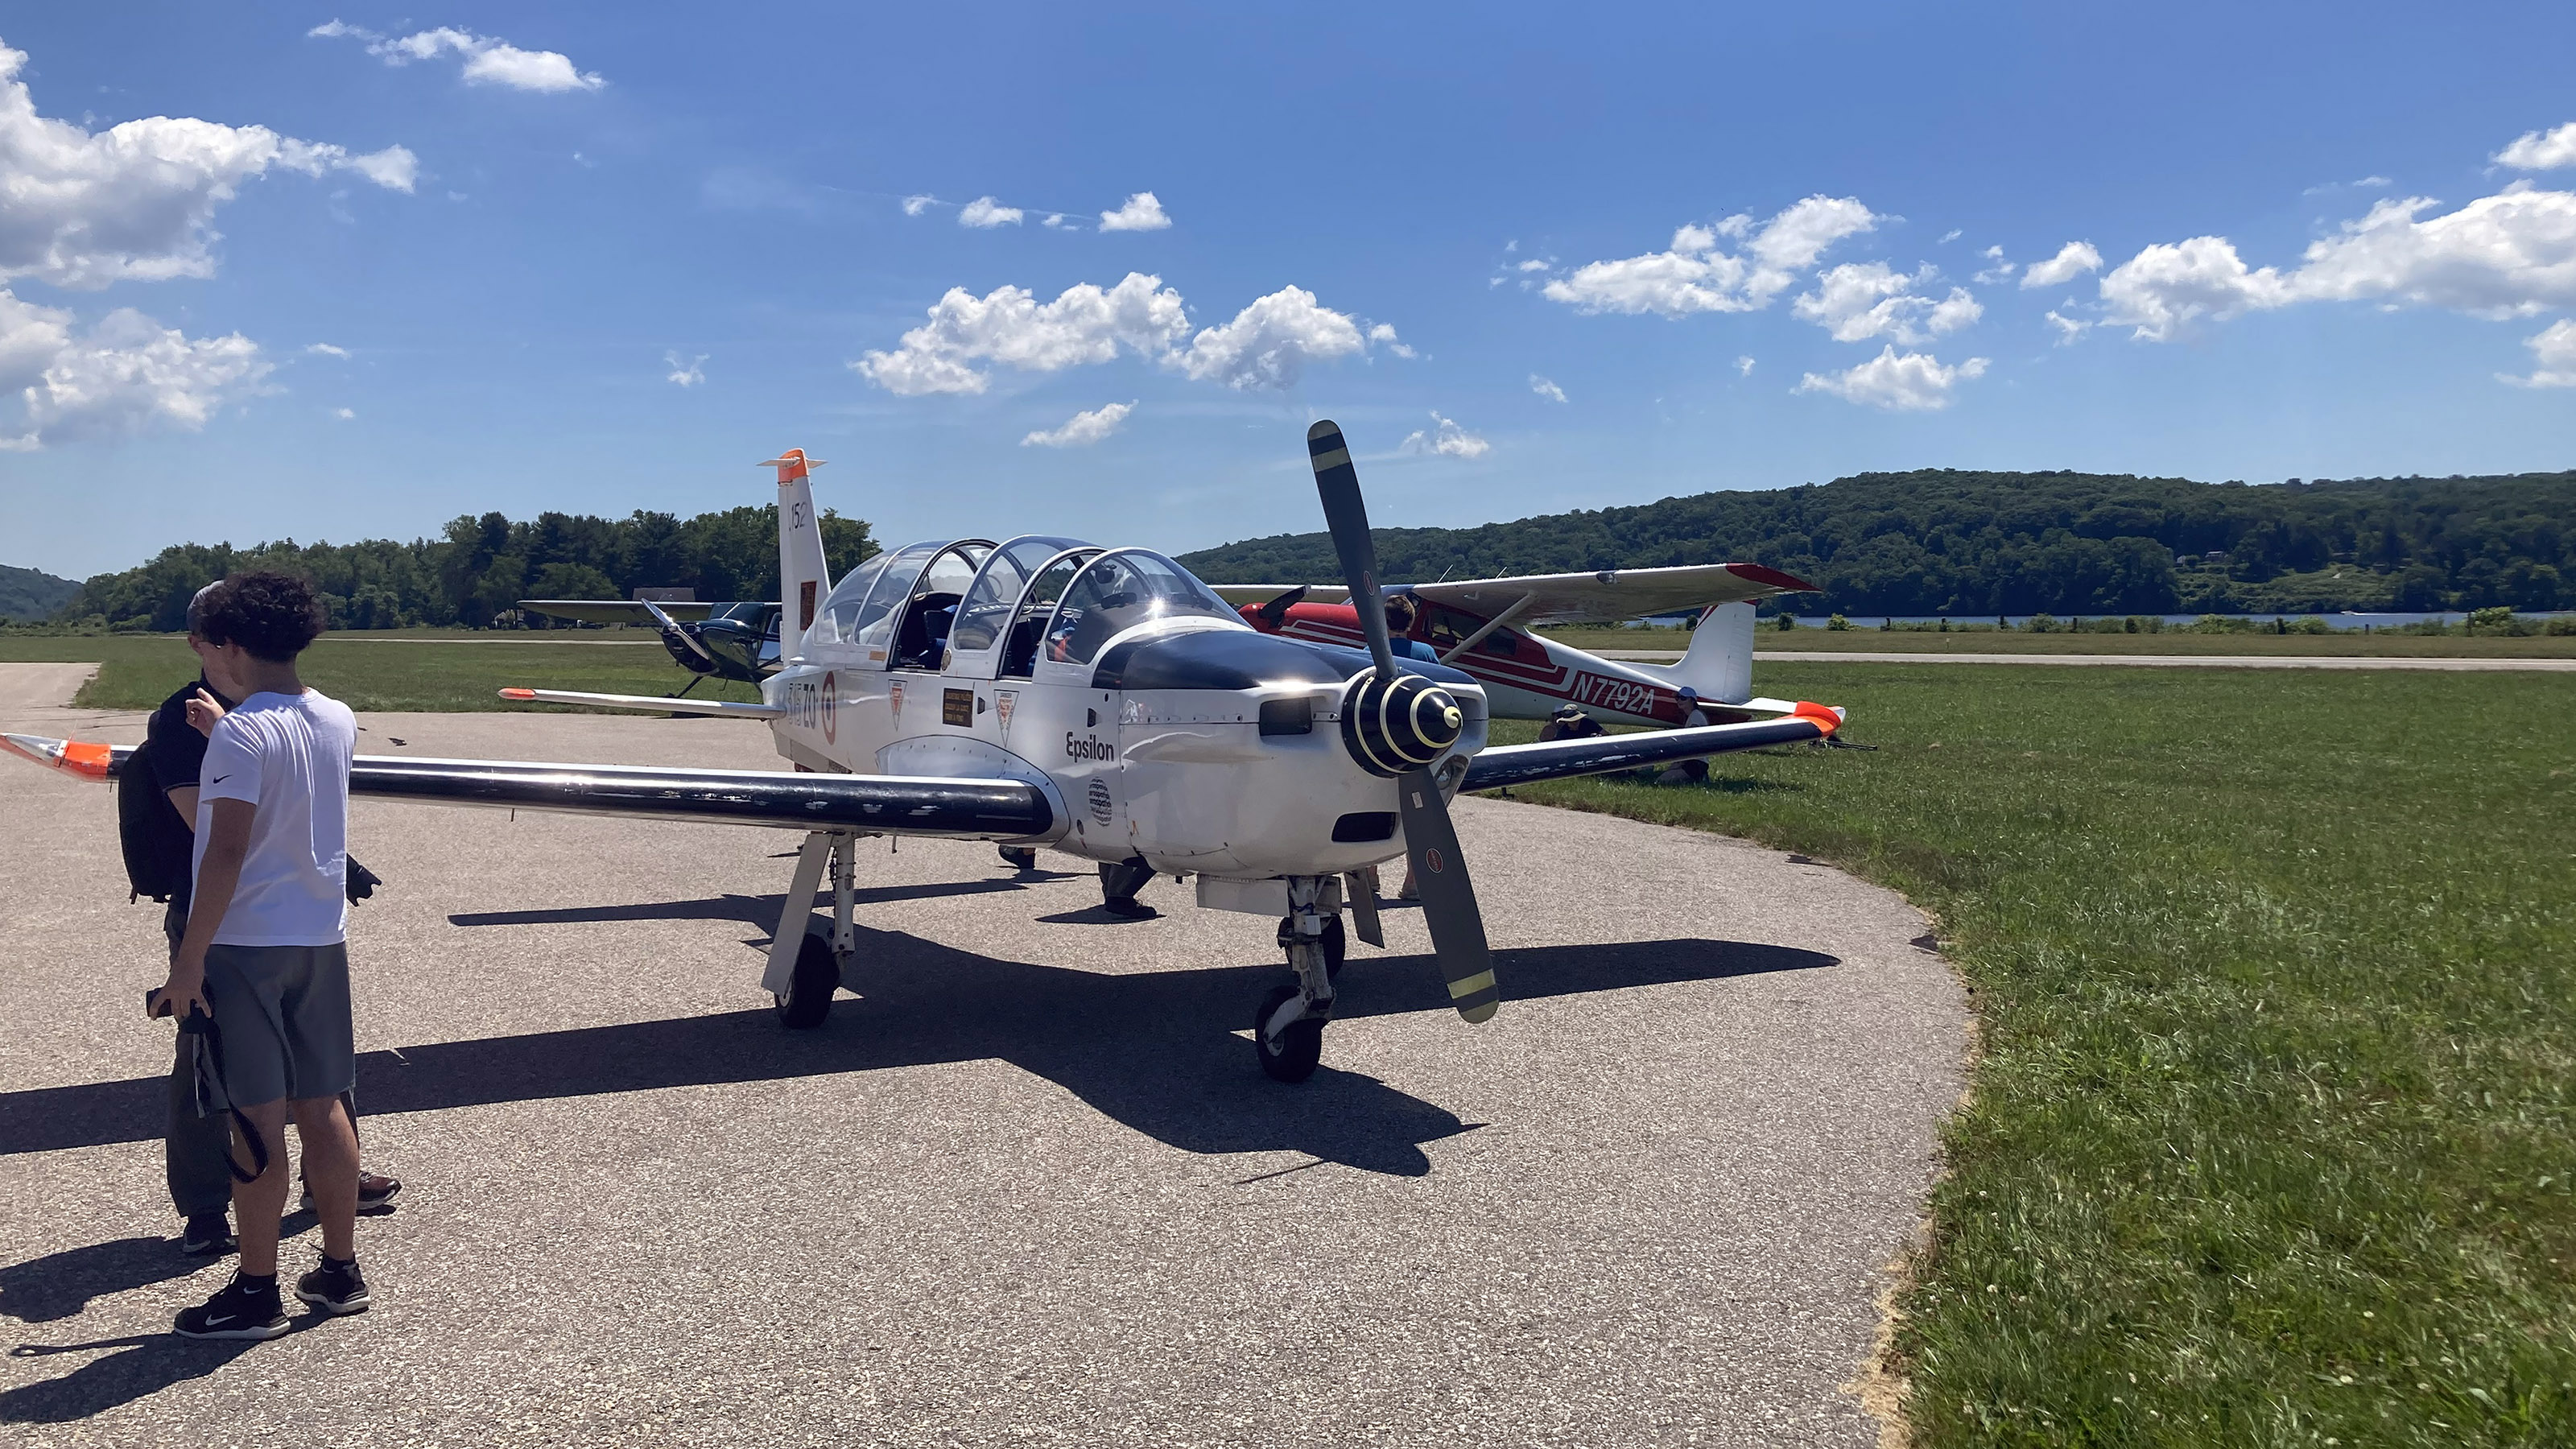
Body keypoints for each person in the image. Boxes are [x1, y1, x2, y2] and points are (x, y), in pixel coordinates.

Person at [144, 586, 398, 1258]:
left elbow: (227, 846)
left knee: (257, 1111)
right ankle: (245, 1222)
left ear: (226, 641)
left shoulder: (239, 728)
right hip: (314, 933)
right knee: (303, 1091)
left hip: (239, 935)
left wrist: (189, 961)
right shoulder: (332, 716)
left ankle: (259, 1283)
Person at [1654, 687, 1712, 785]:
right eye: (1678, 698)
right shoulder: (1692, 716)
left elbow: (1691, 743)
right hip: (1692, 762)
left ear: (1692, 701)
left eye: (1683, 698)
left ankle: (1698, 778)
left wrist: (1680, 762)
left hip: (1695, 763)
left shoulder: (1695, 716)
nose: (1679, 701)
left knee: (1661, 781)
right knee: (1664, 777)